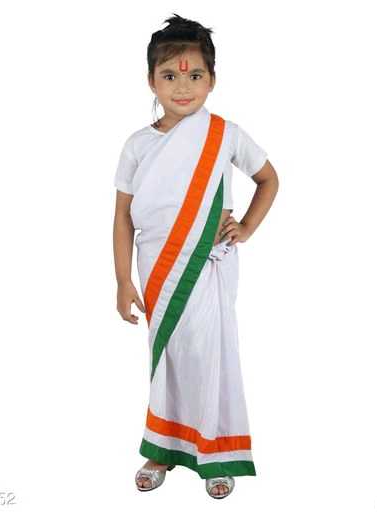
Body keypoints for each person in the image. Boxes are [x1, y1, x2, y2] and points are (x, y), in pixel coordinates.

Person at [113, 13, 279, 499]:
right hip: (157, 266)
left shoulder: (225, 134)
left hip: (209, 264)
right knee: (167, 356)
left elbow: (268, 179)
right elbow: (122, 216)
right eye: (169, 75)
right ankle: (162, 448)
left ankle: (216, 453)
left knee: (209, 355)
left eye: (194, 75)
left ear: (212, 80)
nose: (182, 87)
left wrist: (246, 227)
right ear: (151, 81)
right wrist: (122, 280)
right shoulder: (138, 145)